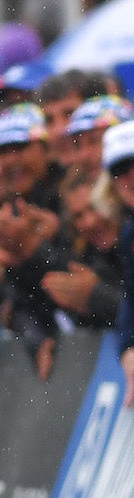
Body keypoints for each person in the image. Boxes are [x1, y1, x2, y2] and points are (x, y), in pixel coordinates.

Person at [105, 122, 134, 403]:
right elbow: (131, 294)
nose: (129, 177)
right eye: (119, 170)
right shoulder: (129, 234)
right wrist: (128, 348)